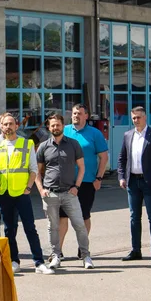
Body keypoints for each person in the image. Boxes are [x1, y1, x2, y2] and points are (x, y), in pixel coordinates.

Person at [0, 112, 53, 274]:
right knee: (9, 229)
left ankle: (39, 262)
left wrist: (28, 188)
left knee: (30, 227)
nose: (8, 127)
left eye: (11, 124)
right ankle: (14, 260)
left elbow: (33, 169)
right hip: (4, 193)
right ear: (1, 126)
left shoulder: (26, 144)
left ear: (17, 126)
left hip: (22, 193)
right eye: (5, 124)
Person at [36, 112, 92, 269]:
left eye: (58, 125)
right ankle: (56, 256)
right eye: (52, 125)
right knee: (53, 227)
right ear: (49, 127)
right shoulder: (43, 147)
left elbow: (81, 167)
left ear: (63, 126)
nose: (55, 127)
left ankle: (86, 256)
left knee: (79, 225)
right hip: (50, 193)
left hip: (69, 193)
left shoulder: (73, 144)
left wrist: (77, 187)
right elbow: (36, 172)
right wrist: (41, 190)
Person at [118, 106, 151, 262]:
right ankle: (136, 250)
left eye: (138, 117)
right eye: (133, 118)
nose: (136, 120)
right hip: (132, 182)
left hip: (149, 182)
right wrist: (121, 177)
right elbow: (122, 158)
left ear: (145, 117)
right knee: (134, 217)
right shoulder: (127, 135)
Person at [61, 104, 109, 256]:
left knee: (83, 216)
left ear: (86, 116)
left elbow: (103, 157)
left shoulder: (95, 133)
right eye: (74, 113)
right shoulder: (64, 131)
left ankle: (82, 249)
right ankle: (57, 251)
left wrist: (99, 177)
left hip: (87, 181)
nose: (76, 116)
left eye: (80, 113)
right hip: (65, 182)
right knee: (62, 217)